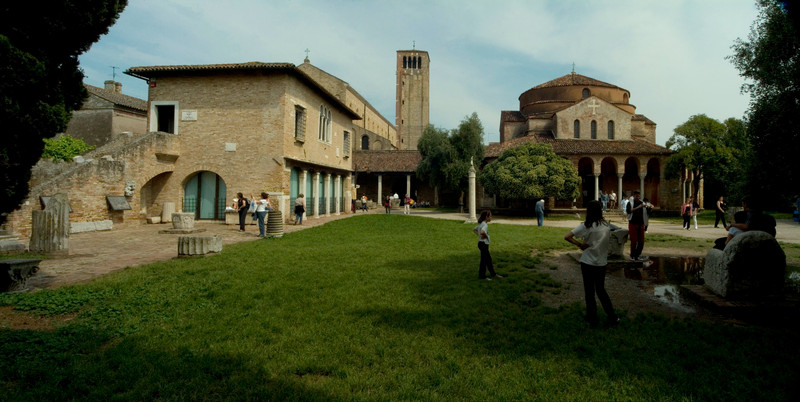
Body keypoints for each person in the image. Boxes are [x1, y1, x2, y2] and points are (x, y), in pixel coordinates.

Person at [564, 200, 619, 328]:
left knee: (589, 292)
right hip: (601, 262)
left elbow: (567, 236)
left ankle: (592, 318)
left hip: (587, 262)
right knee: (601, 290)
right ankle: (612, 317)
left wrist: (579, 245)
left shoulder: (586, 226)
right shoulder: (606, 225)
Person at [473, 210, 503, 281]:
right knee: (484, 261)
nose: (491, 217)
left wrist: (479, 235)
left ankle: (493, 274)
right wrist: (485, 236)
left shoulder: (481, 224)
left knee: (488, 260)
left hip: (481, 244)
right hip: (483, 244)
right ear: (486, 217)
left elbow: (474, 229)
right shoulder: (485, 225)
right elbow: (482, 232)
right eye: (490, 216)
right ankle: (482, 276)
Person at [626, 190, 647, 261]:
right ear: (633, 196)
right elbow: (629, 211)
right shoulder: (630, 203)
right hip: (633, 223)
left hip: (641, 223)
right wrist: (638, 207)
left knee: (641, 241)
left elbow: (647, 212)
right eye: (636, 196)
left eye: (638, 196)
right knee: (634, 241)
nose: (637, 197)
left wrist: (648, 207)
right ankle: (632, 255)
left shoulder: (642, 203)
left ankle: (637, 255)